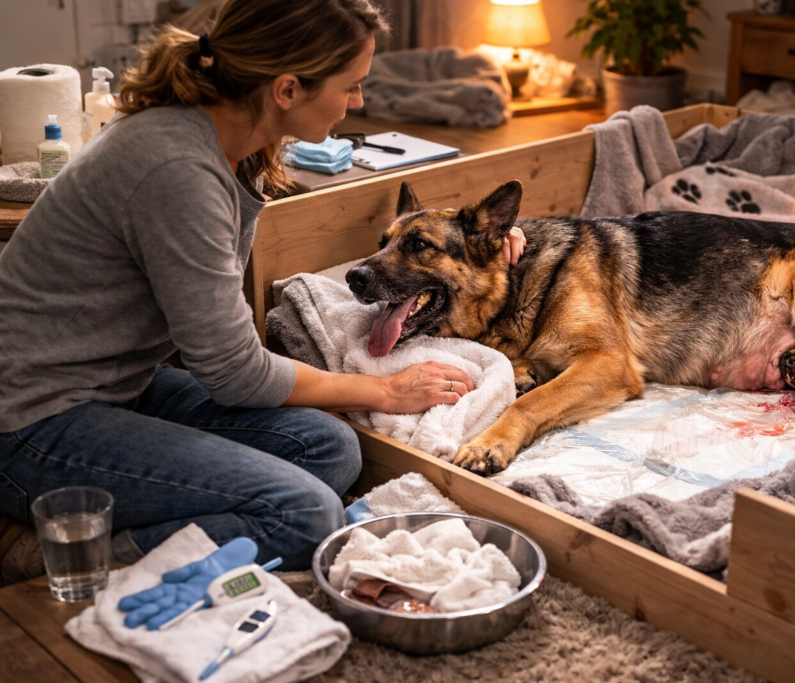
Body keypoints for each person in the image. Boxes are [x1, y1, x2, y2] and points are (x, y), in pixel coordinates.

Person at [0, 0, 525, 578]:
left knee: (331, 448)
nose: (359, 103)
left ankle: (130, 518)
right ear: (287, 89)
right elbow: (234, 374)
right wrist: (384, 393)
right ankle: (58, 555)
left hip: (119, 388)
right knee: (304, 515)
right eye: (351, 86)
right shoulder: (176, 168)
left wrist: (486, 241)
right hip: (32, 420)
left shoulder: (231, 144)